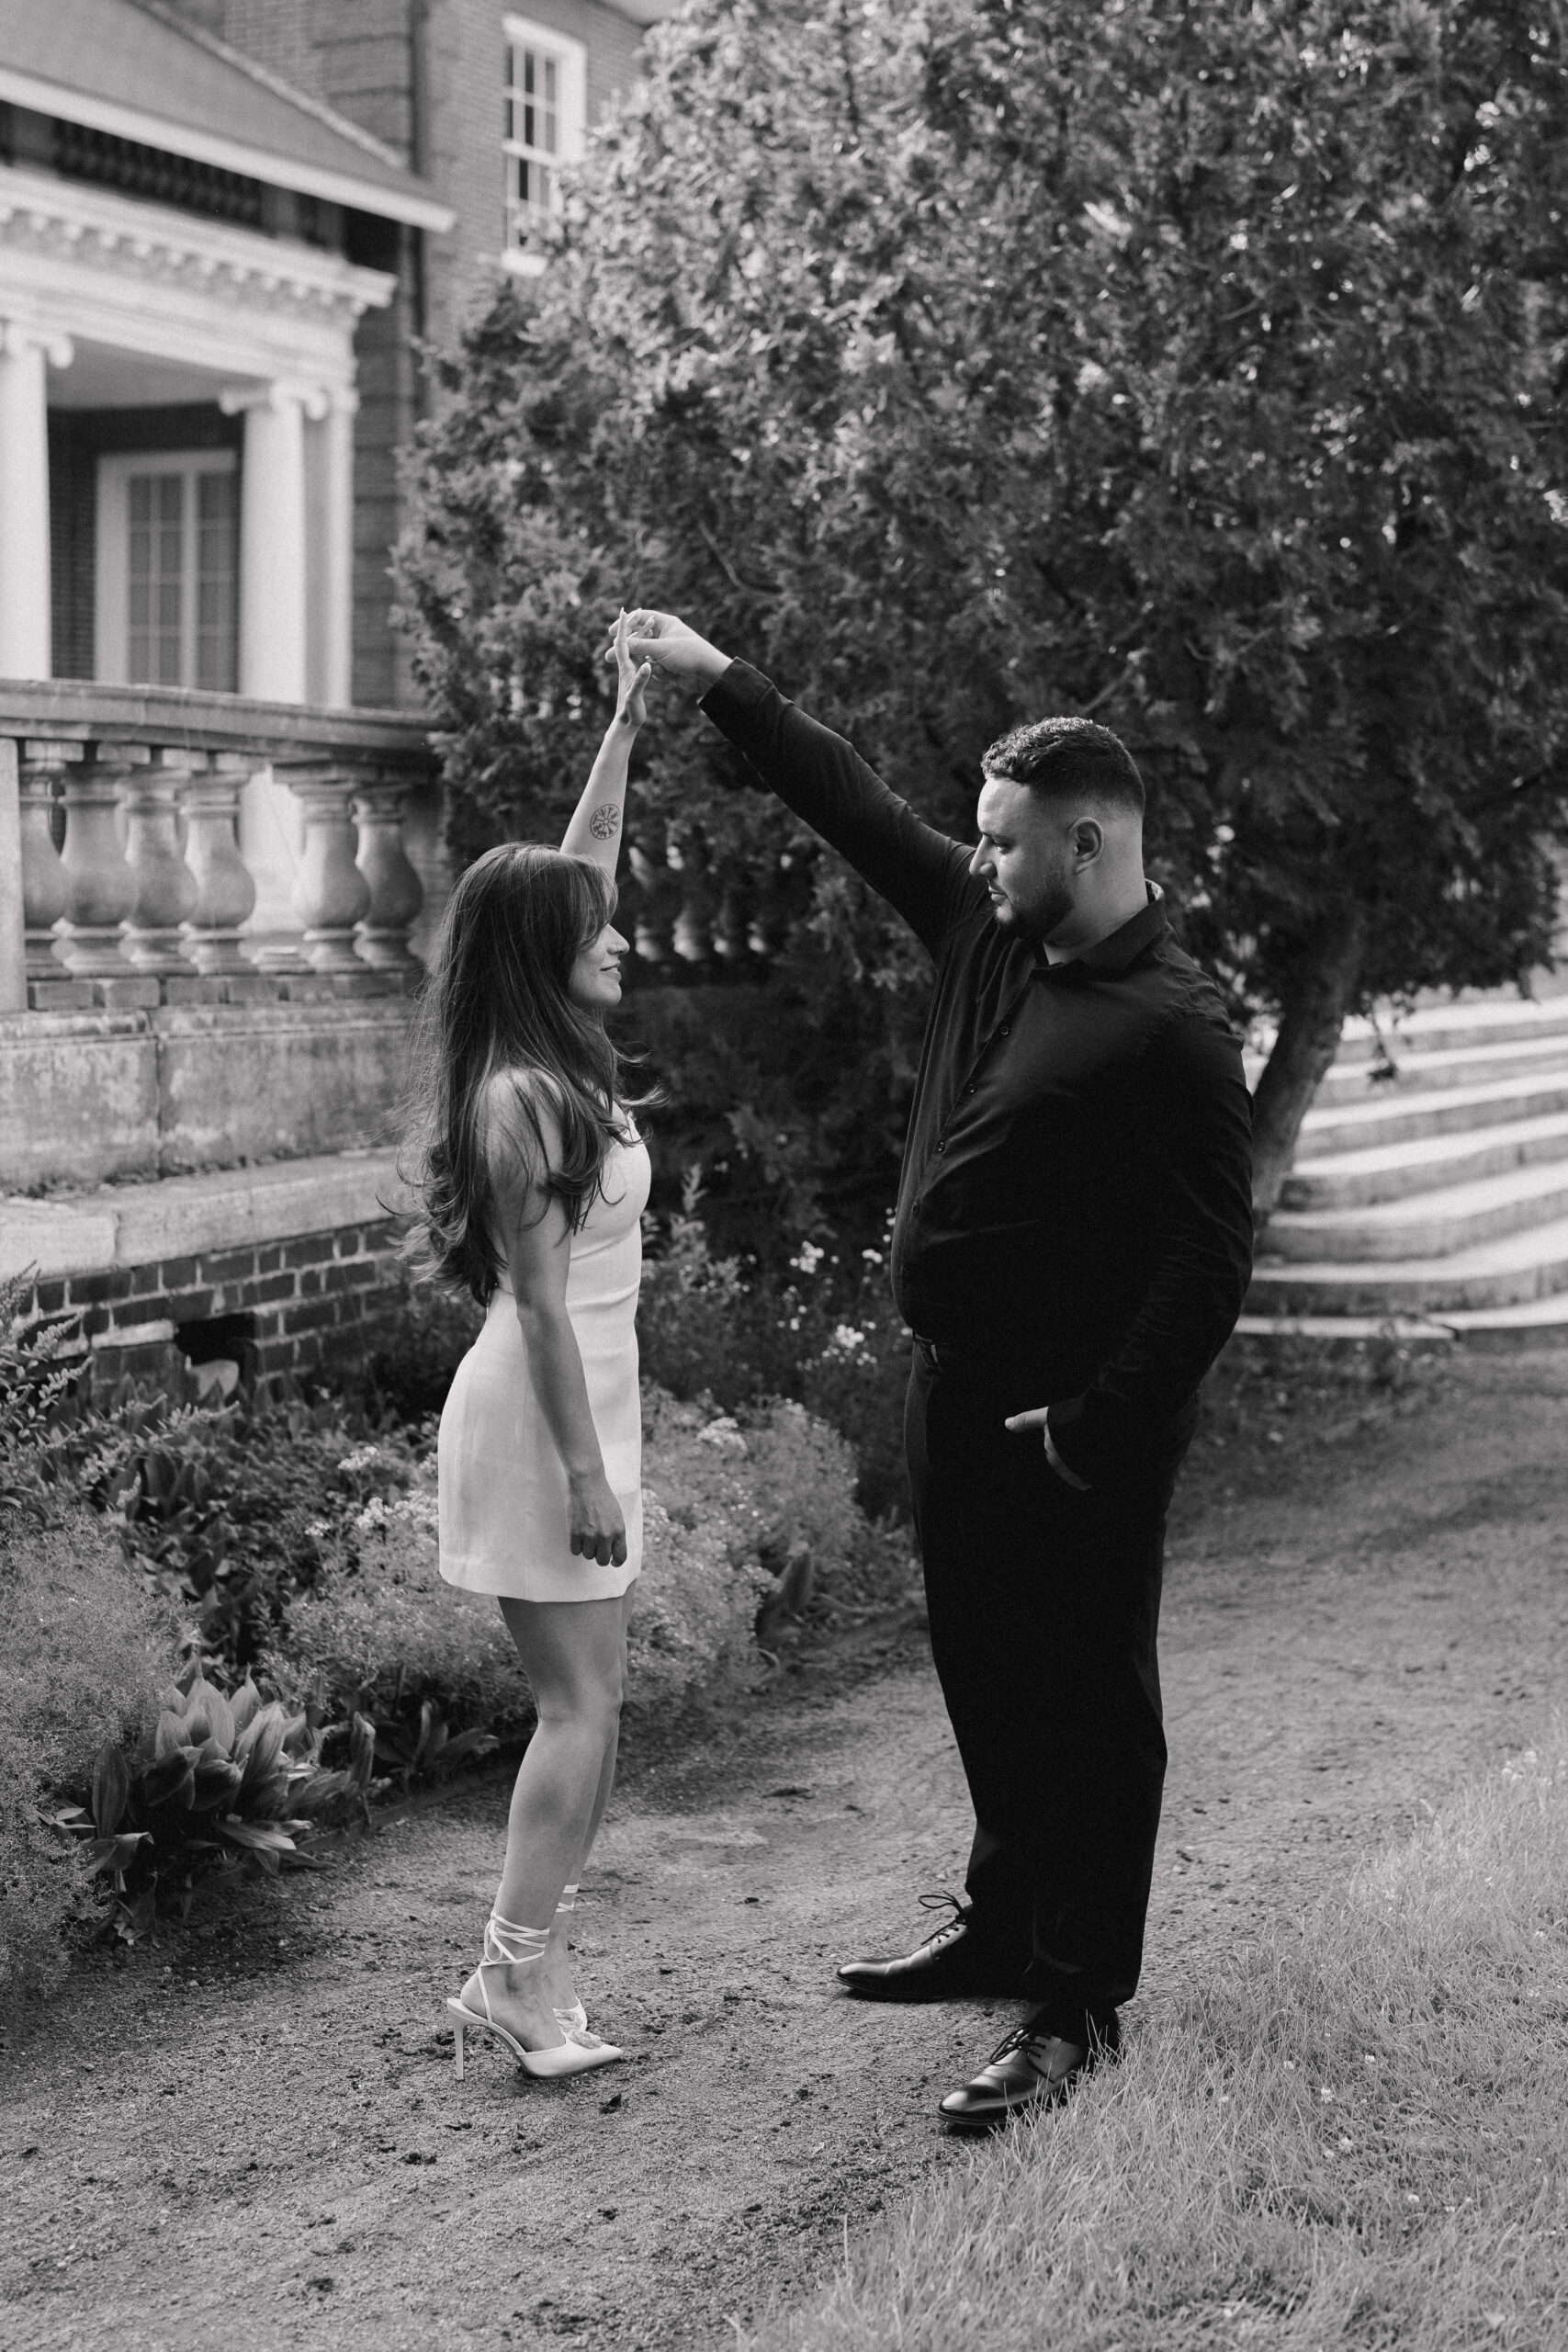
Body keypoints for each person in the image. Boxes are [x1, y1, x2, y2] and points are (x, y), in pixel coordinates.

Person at [614, 608, 1254, 2130]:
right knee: (981, 1662)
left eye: (1005, 841)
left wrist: (1097, 1427)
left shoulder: (1177, 1028)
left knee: (1091, 1697)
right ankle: (1000, 1921)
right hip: (956, 1387)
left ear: (1089, 845)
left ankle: (1078, 2000)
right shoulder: (987, 932)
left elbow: (1210, 1261)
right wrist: (722, 684)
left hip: (1069, 1421)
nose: (975, 858)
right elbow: (852, 804)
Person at [406, 614, 656, 2084]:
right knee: (578, 1708)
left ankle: (537, 1968)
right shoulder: (519, 1100)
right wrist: (585, 1472)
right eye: (595, 929)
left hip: (591, 1407)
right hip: (540, 1416)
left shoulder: (557, 1053)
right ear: (544, 961)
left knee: (601, 1708)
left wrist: (624, 724)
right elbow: (547, 1310)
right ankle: (506, 1976)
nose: (617, 932)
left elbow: (585, 864)